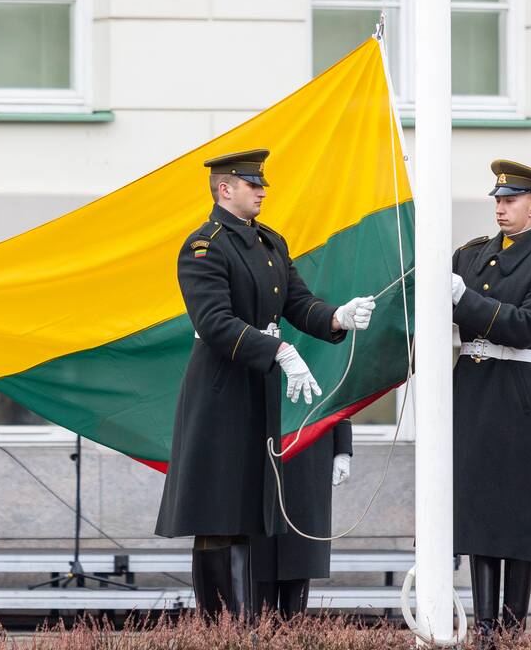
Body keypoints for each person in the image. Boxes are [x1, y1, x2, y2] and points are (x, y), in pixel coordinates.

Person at [154, 149, 376, 618]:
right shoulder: (204, 246)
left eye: (262, 183)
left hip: (260, 387)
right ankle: (224, 627)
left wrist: (338, 317)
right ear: (224, 188)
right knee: (220, 512)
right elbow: (214, 322)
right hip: (220, 388)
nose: (261, 190)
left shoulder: (270, 242)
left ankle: (246, 624)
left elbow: (298, 302)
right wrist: (278, 350)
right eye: (251, 183)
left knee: (251, 512)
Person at [451, 161, 531, 646]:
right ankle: (483, 627)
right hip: (472, 386)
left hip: (515, 386)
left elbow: (527, 326)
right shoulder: (470, 255)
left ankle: (511, 627)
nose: (500, 207)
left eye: (510, 201)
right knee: (479, 508)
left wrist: (465, 301)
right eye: (497, 200)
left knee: (517, 512)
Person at [250, 419, 352, 618]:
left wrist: (343, 448)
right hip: (259, 439)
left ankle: (293, 632)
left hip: (309, 441)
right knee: (258, 556)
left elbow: (338, 392)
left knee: (300, 554)